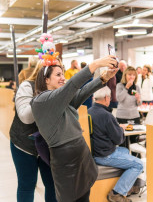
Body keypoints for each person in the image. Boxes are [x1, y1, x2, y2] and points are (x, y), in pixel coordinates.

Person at [30, 54, 118, 202]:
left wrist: (104, 77)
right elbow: (72, 85)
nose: (62, 78)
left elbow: (82, 92)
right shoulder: (41, 101)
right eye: (58, 75)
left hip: (81, 155)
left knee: (84, 197)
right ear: (46, 80)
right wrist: (95, 64)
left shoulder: (61, 100)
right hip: (66, 161)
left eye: (63, 74)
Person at [9, 60, 57, 202]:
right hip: (23, 144)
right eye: (58, 73)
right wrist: (45, 96)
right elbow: (26, 117)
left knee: (52, 184)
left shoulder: (58, 89)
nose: (62, 78)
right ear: (46, 75)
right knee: (27, 185)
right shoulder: (27, 86)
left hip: (47, 144)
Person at [88, 86, 143, 202]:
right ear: (107, 98)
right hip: (105, 155)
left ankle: (128, 185)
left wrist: (116, 127)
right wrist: (121, 129)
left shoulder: (89, 111)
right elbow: (118, 140)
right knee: (139, 164)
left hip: (96, 152)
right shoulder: (106, 115)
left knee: (125, 151)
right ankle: (116, 193)